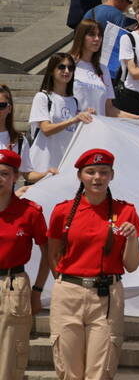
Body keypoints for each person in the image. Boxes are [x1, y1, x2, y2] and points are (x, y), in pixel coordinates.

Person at [47, 148, 139, 380]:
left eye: (103, 172)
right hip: (69, 293)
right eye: (90, 172)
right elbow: (53, 255)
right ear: (80, 176)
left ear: (112, 175)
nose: (97, 177)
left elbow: (131, 265)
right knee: (68, 368)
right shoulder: (62, 211)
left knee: (100, 370)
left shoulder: (126, 211)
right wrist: (66, 285)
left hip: (106, 296)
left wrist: (131, 238)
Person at [0, 148, 50, 379]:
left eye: (4, 173)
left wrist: (38, 289)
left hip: (14, 285)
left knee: (10, 355)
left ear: (15, 176)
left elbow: (48, 251)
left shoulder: (29, 212)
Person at [30, 53, 94, 178]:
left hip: (64, 167)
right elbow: (46, 129)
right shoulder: (42, 97)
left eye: (70, 68)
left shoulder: (74, 101)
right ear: (51, 70)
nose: (66, 71)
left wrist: (89, 117)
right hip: (43, 167)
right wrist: (73, 120)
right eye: (61, 67)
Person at [69, 20, 139, 119]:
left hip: (95, 131)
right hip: (71, 129)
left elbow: (109, 109)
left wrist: (137, 118)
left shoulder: (103, 69)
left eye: (100, 35)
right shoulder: (66, 64)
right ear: (81, 37)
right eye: (91, 35)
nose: (97, 39)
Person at [0, 85, 35, 175]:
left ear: (9, 108)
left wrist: (46, 174)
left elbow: (27, 173)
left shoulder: (20, 140)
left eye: (1, 105)